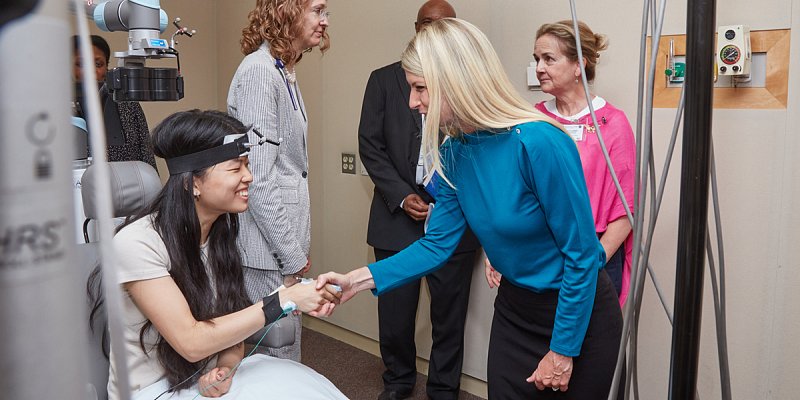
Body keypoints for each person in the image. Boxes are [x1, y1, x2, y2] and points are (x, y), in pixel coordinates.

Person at [318, 18, 622, 399]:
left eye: (420, 88)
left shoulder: (539, 143)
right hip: (515, 310)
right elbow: (436, 245)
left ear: (454, 79)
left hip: (577, 314)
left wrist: (562, 351)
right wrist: (356, 280)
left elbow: (581, 256)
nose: (413, 102)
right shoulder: (455, 153)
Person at [93, 109, 345, 400]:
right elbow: (192, 342)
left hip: (202, 381)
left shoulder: (218, 237)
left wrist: (224, 369)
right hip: (154, 391)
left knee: (304, 386)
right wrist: (283, 300)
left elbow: (229, 329)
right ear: (193, 182)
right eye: (236, 168)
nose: (249, 177)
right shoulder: (137, 243)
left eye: (247, 165)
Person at [357, 2, 480, 399]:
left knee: (449, 315)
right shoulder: (383, 81)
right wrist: (402, 194)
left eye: (444, 25)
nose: (434, 30)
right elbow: (370, 146)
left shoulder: (469, 86)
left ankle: (444, 389)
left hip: (454, 219)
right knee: (394, 314)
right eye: (428, 23)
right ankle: (397, 381)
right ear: (415, 27)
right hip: (396, 219)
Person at [227, 0, 330, 361]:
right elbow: (257, 177)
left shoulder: (281, 70)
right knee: (273, 358)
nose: (324, 21)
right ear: (287, 11)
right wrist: (291, 254)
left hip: (278, 244)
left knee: (284, 352)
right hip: (265, 250)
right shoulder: (259, 73)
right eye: (318, 10)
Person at [531, 20, 635, 306]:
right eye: (537, 59)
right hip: (541, 252)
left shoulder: (612, 124)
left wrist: (591, 262)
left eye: (549, 59)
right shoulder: (534, 119)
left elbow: (626, 208)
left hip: (595, 253)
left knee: (590, 347)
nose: (539, 68)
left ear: (579, 65)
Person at [71, 35, 157, 170]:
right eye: (81, 63)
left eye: (98, 64)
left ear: (106, 68)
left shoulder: (127, 103)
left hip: (126, 186)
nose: (91, 70)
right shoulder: (57, 106)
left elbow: (146, 156)